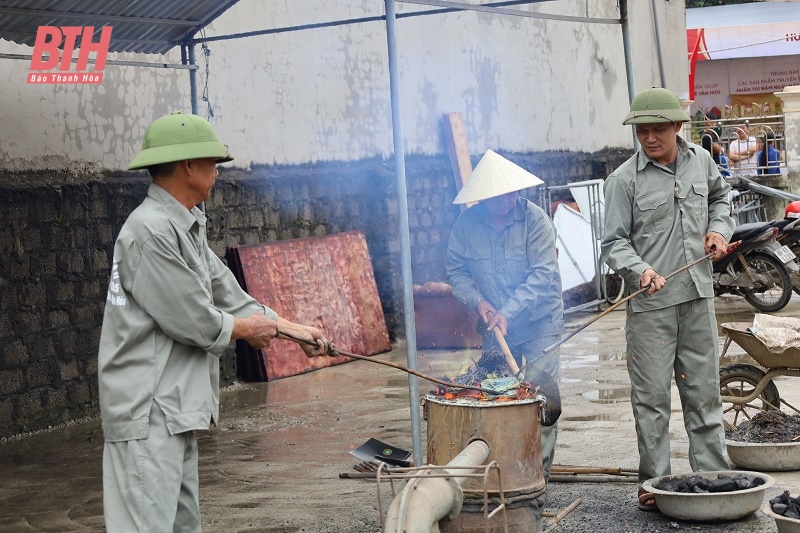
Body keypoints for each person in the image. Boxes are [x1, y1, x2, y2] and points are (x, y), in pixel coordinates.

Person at [98, 112, 331, 532]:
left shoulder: (184, 225)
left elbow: (227, 293)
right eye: (213, 163)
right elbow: (192, 319)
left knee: (183, 525)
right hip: (147, 409)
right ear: (188, 165)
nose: (218, 174)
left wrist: (290, 330)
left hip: (173, 410)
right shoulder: (150, 232)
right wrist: (247, 330)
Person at [601, 88, 734, 512]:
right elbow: (614, 243)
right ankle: (654, 485)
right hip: (651, 310)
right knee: (652, 403)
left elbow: (720, 198)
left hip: (697, 297)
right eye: (642, 131)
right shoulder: (623, 180)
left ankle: (714, 478)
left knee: (704, 394)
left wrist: (719, 230)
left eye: (659, 129)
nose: (650, 138)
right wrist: (641, 269)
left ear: (678, 127)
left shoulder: (702, 161)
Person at [446, 149, 565, 478]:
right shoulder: (466, 224)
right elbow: (456, 272)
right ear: (482, 197)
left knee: (541, 397)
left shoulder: (536, 221)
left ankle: (538, 476)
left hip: (541, 322)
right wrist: (478, 302)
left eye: (511, 192)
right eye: (497, 195)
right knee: (499, 395)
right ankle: (507, 472)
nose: (506, 199)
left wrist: (508, 311)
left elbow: (542, 276)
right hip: (494, 326)